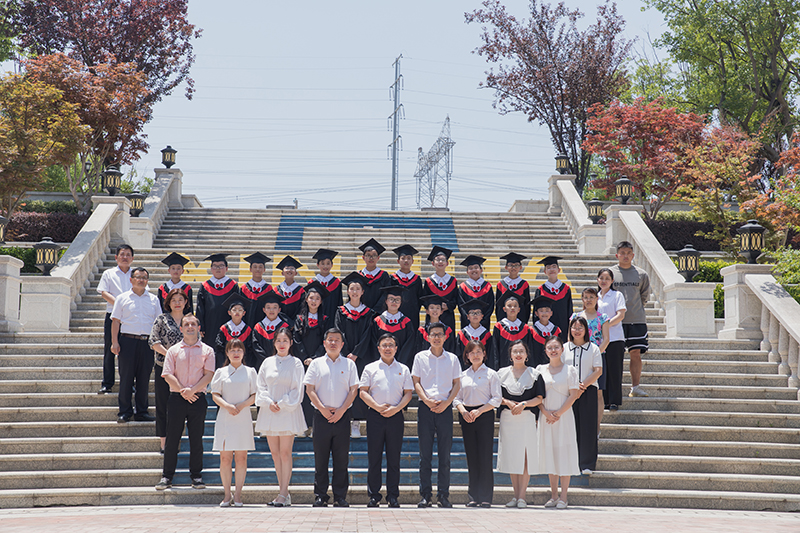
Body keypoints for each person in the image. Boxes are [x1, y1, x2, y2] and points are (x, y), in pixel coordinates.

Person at [156, 314, 215, 491]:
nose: (190, 327)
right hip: (176, 398)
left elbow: (209, 375)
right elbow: (167, 374)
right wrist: (184, 391)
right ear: (181, 329)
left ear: (198, 328)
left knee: (196, 439)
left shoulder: (208, 351)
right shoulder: (173, 351)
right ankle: (167, 476)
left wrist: (192, 391)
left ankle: (196, 476)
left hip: (198, 399)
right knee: (172, 439)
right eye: (186, 324)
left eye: (193, 324)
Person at [303, 328, 360, 507]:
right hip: (321, 416)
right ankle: (320, 495)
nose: (333, 342)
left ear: (342, 344)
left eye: (337, 340)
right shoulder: (316, 364)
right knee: (320, 459)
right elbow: (309, 389)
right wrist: (322, 409)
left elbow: (353, 390)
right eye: (330, 339)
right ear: (324, 343)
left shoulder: (349, 365)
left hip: (342, 417)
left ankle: (340, 496)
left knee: (341, 459)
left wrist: (342, 410)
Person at [359, 333, 413, 508]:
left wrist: (396, 409)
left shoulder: (403, 369)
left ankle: (393, 496)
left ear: (396, 348)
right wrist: (377, 407)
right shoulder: (370, 368)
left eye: (391, 345)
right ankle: (374, 495)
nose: (388, 348)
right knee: (374, 457)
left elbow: (408, 394)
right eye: (384, 345)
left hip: (396, 415)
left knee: (394, 458)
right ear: (378, 348)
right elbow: (363, 392)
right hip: (375, 415)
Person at [255, 327, 307, 507]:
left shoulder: (296, 363)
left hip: (287, 411)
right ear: (274, 342)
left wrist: (282, 403)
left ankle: (284, 494)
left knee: (285, 453)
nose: (282, 344)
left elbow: (297, 389)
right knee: (275, 454)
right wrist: (269, 402)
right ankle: (282, 491)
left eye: (285, 340)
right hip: (270, 411)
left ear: (291, 343)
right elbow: (260, 386)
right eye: (279, 340)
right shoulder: (267, 362)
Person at [411, 321, 461, 508]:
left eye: (440, 334)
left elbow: (457, 383)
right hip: (426, 408)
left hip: (445, 409)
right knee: (425, 455)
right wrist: (426, 400)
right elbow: (416, 381)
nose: (437, 337)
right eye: (433, 334)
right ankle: (425, 495)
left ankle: (443, 495)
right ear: (428, 337)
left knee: (444, 456)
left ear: (445, 337)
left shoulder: (452, 359)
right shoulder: (420, 357)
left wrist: (447, 403)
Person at [496, 340, 545, 509]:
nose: (518, 354)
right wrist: (508, 403)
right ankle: (515, 495)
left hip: (526, 418)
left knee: (524, 457)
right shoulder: (501, 374)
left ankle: (522, 496)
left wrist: (523, 404)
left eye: (521, 351)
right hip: (508, 418)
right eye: (515, 351)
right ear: (510, 355)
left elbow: (539, 398)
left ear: (526, 354)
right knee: (512, 456)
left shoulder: (535, 374)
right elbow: (495, 395)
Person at [453, 341, 501, 508]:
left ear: (484, 354)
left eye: (479, 351)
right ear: (467, 355)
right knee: (472, 457)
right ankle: (473, 497)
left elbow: (496, 398)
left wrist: (479, 411)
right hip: (466, 416)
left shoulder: (491, 374)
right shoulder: (462, 376)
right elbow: (456, 397)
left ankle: (486, 497)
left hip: (484, 415)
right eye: (471, 352)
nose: (475, 355)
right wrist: (463, 411)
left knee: (485, 456)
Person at [210, 338, 258, 507]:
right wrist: (228, 406)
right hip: (225, 417)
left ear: (244, 353)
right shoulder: (221, 372)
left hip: (243, 417)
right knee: (225, 458)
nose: (236, 353)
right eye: (232, 350)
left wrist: (241, 405)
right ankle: (226, 494)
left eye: (239, 350)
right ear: (227, 353)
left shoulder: (250, 372)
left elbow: (255, 395)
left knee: (242, 458)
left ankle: (238, 495)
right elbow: (215, 394)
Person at [110, 266, 161, 423]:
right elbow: (115, 321)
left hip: (147, 344)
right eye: (138, 277)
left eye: (144, 278)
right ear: (131, 280)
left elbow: (158, 323)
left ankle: (142, 411)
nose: (141, 280)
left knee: (143, 378)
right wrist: (114, 342)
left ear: (147, 281)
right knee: (126, 377)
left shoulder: (154, 299)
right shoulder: (122, 298)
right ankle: (125, 412)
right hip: (127, 342)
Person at [537, 336, 581, 509]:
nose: (553, 350)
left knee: (564, 453)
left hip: (564, 417)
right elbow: (537, 396)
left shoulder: (570, 370)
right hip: (546, 417)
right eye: (550, 347)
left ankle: (564, 496)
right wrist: (545, 412)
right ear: (545, 351)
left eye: (556, 347)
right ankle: (554, 495)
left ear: (562, 350)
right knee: (550, 453)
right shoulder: (540, 370)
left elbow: (573, 394)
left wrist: (558, 413)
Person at [336, 273, 378, 439]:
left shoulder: (368, 313)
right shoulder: (340, 311)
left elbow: (367, 335)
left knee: (360, 386)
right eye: (351, 289)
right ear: (348, 291)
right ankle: (343, 417)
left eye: (357, 289)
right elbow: (339, 332)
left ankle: (357, 421)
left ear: (362, 292)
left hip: (362, 356)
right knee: (344, 386)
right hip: (344, 355)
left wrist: (356, 353)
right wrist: (346, 352)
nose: (354, 292)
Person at [149, 288, 188, 452]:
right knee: (162, 404)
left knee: (180, 406)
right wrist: (170, 355)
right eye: (174, 300)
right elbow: (153, 341)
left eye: (180, 300)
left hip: (185, 370)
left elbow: (197, 341)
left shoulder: (189, 320)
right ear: (168, 303)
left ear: (185, 302)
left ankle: (176, 439)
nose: (177, 303)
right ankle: (164, 441)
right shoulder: (161, 319)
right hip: (163, 367)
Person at [611, 241, 651, 398]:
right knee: (616, 356)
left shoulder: (641, 274)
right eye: (622, 253)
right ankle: (615, 389)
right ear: (617, 255)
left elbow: (644, 296)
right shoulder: (610, 273)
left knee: (635, 353)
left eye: (628, 253)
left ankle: (635, 387)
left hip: (637, 320)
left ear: (633, 255)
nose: (625, 256)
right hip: (616, 321)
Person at [563, 316, 603, 475]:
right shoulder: (564, 348)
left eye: (581, 327)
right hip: (567, 392)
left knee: (588, 428)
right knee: (569, 427)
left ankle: (587, 464)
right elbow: (560, 369)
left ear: (586, 330)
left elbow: (598, 371)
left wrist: (582, 386)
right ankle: (569, 463)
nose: (577, 330)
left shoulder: (593, 348)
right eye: (574, 327)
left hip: (588, 391)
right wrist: (572, 387)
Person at [571, 287, 610, 433]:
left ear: (596, 299)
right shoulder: (575, 316)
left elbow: (606, 339)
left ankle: (596, 427)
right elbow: (570, 338)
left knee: (598, 392)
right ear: (582, 299)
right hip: (577, 358)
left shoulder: (603, 317)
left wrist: (594, 354)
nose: (588, 300)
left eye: (591, 297)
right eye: (586, 297)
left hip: (597, 358)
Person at [97, 244, 134, 394]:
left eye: (128, 255)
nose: (125, 257)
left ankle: (129, 384)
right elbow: (103, 292)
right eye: (122, 254)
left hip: (131, 317)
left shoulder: (136, 274)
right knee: (110, 350)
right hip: (112, 316)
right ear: (116, 257)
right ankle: (107, 383)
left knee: (129, 352)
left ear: (132, 258)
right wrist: (119, 304)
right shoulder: (109, 273)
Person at [293, 280, 331, 430]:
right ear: (306, 299)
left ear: (321, 302)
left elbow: (326, 341)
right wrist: (305, 358)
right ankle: (304, 426)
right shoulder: (299, 319)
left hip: (319, 361)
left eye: (317, 298)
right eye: (311, 298)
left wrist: (314, 358)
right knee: (304, 392)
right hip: (302, 361)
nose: (314, 301)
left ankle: (317, 425)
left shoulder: (325, 320)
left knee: (318, 391)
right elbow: (296, 340)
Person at [196, 253, 239, 354]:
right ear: (211, 269)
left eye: (221, 266)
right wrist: (201, 325)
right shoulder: (205, 286)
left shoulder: (233, 285)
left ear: (226, 268)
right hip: (210, 325)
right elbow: (200, 307)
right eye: (215, 266)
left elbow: (238, 305)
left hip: (228, 324)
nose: (218, 268)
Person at [597, 268, 627, 411]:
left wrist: (605, 325)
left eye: (607, 278)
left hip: (615, 338)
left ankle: (614, 401)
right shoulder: (595, 297)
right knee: (602, 370)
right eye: (601, 278)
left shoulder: (617, 295)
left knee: (615, 370)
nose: (604, 281)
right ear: (597, 280)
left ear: (612, 281)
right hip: (599, 340)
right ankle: (605, 400)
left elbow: (620, 315)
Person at [369, 285, 419, 368]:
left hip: (401, 365)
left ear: (401, 302)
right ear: (386, 301)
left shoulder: (406, 322)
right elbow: (374, 343)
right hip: (381, 364)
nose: (394, 302)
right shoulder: (377, 321)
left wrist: (399, 362)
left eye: (397, 300)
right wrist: (383, 360)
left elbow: (409, 345)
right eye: (391, 299)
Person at [533, 256, 572, 342]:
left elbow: (570, 312)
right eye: (548, 267)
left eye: (554, 267)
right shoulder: (541, 290)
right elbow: (535, 314)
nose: (551, 269)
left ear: (559, 270)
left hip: (563, 329)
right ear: (545, 272)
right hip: (544, 330)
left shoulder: (566, 289)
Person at [491, 296, 535, 370]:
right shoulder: (499, 327)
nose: (512, 308)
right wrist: (496, 368)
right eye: (509, 306)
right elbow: (495, 350)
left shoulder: (525, 327)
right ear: (504, 309)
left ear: (519, 309)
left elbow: (529, 349)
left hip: (522, 368)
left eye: (515, 306)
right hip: (503, 367)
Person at [215, 293, 256, 370]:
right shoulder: (224, 329)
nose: (237, 312)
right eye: (234, 310)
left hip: (243, 367)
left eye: (240, 310)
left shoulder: (248, 330)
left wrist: (246, 365)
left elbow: (250, 351)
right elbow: (219, 349)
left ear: (244, 313)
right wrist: (223, 365)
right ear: (229, 312)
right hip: (226, 366)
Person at [422, 246, 458, 331]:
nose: (440, 262)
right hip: (432, 316)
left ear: (447, 263)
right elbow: (424, 299)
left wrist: (448, 306)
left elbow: (456, 299)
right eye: (437, 260)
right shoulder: (428, 281)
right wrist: (433, 308)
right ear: (433, 263)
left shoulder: (453, 281)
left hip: (448, 316)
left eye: (443, 260)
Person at [454, 299, 494, 369]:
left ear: (482, 316)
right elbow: (458, 354)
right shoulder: (462, 334)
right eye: (472, 313)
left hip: (483, 369)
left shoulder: (486, 334)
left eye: (478, 313)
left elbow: (490, 355)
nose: (475, 315)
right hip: (465, 369)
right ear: (468, 317)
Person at [390, 244, 424, 328]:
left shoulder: (416, 279)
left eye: (409, 258)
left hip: (413, 315)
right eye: (403, 258)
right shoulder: (392, 278)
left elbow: (420, 299)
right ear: (398, 261)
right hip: (396, 313)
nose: (406, 260)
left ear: (412, 261)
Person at [457, 255, 494, 331]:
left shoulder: (487, 286)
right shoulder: (463, 287)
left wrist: (483, 321)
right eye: (470, 268)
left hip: (484, 325)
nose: (473, 270)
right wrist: (470, 322)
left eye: (476, 267)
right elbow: (461, 307)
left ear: (481, 270)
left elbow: (491, 306)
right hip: (467, 325)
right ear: (467, 272)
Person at [252, 291, 290, 363]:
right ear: (264, 310)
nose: (271, 310)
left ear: (279, 310)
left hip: (281, 362)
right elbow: (256, 347)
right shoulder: (258, 327)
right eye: (268, 307)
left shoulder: (284, 327)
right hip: (262, 364)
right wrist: (267, 361)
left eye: (275, 307)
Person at [495, 252, 531, 326]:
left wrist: (524, 321)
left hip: (520, 319)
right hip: (504, 320)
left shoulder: (524, 284)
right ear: (506, 267)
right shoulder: (501, 284)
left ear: (520, 267)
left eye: (516, 265)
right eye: (510, 265)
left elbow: (527, 305)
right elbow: (498, 305)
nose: (513, 268)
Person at [240, 252, 273, 329]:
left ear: (264, 270)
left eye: (260, 267)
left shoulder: (268, 288)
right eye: (255, 267)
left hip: (264, 327)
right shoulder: (244, 288)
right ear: (250, 269)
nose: (258, 269)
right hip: (246, 326)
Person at [358, 239, 393, 310]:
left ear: (378, 258)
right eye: (368, 255)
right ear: (363, 257)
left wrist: (376, 311)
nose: (371, 258)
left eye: (374, 255)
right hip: (361, 312)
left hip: (379, 313)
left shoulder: (384, 276)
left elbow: (386, 294)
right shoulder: (359, 276)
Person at [313, 248, 343, 326]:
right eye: (322, 263)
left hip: (332, 319)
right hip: (315, 320)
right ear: (318, 265)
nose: (325, 266)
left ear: (332, 265)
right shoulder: (312, 283)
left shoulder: (336, 282)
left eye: (328, 263)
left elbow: (339, 302)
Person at [530, 296, 562, 367]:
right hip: (535, 367)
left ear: (551, 313)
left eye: (547, 310)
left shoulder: (557, 330)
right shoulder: (531, 331)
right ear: (536, 313)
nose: (544, 313)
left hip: (554, 367)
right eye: (541, 311)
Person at [275, 255, 305, 327]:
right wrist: (285, 323)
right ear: (282, 273)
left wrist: (294, 324)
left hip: (297, 326)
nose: (289, 270)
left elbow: (302, 309)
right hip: (280, 325)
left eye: (292, 268)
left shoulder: (301, 291)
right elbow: (275, 309)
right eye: (287, 268)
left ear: (296, 273)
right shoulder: (276, 290)